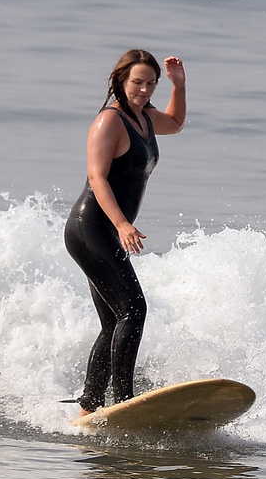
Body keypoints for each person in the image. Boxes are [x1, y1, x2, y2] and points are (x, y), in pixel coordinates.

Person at [64, 48, 187, 417]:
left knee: (115, 319)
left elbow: (176, 123)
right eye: (138, 82)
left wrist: (178, 86)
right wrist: (121, 224)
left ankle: (90, 405)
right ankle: (124, 401)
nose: (145, 90)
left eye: (151, 84)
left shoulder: (145, 118)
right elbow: (97, 177)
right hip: (91, 228)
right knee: (133, 310)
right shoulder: (109, 122)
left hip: (107, 229)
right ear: (121, 80)